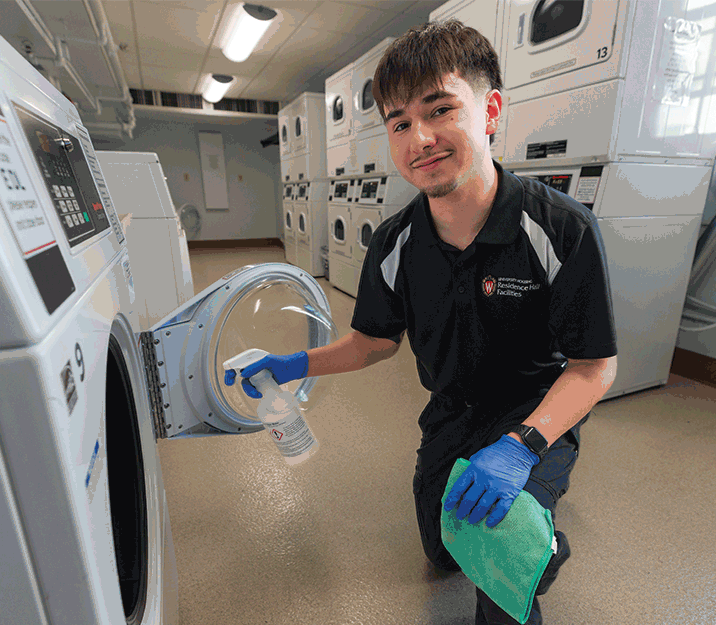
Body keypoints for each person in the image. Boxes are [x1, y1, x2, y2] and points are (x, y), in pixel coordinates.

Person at [226, 19, 619, 625]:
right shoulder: (396, 241)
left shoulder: (559, 228)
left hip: (534, 414)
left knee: (499, 550)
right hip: (451, 414)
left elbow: (594, 368)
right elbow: (373, 343)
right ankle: (518, 529)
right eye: (401, 122)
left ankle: (533, 546)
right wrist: (294, 364)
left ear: (489, 111)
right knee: (442, 554)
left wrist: (520, 447)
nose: (421, 138)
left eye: (441, 110)